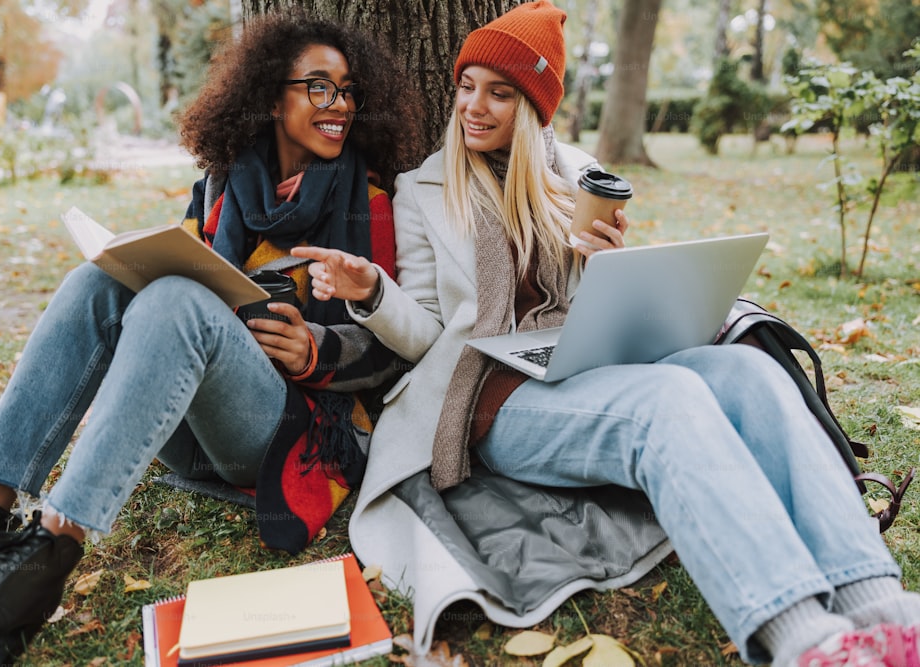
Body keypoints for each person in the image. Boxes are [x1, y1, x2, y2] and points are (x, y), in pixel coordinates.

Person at [292, 2, 920, 665]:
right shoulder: (423, 189)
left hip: (584, 363)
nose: (474, 106)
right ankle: (807, 641)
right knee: (667, 404)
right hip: (494, 398)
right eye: (467, 85)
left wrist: (602, 263)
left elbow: (605, 314)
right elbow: (423, 335)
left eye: (499, 93)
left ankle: (879, 605)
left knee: (753, 373)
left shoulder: (578, 176)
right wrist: (371, 293)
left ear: (535, 108)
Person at [0, 11, 421, 665]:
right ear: (274, 97)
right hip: (185, 426)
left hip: (288, 431)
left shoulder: (371, 203)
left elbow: (393, 342)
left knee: (178, 302)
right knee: (94, 281)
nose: (339, 105)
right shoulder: (223, 186)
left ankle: (41, 561)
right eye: (318, 87)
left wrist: (319, 349)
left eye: (348, 90)